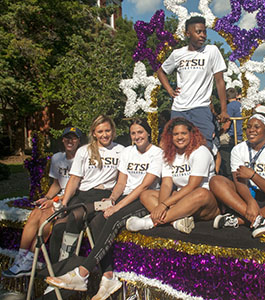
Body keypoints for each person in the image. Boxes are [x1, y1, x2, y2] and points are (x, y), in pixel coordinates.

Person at [45, 119, 163, 300]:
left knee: (110, 219)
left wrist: (116, 206)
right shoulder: (127, 152)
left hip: (142, 198)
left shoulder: (153, 153)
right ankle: (107, 276)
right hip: (117, 196)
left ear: (148, 133)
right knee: (95, 221)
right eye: (133, 133)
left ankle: (82, 273)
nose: (137, 136)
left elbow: (142, 187)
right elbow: (121, 182)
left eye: (140, 132)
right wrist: (112, 199)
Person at [1, 127, 82, 278]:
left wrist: (54, 201)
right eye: (67, 138)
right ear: (62, 140)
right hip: (58, 197)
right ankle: (21, 257)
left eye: (74, 138)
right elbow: (56, 184)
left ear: (79, 141)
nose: (70, 141)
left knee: (46, 217)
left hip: (73, 198)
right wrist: (47, 198)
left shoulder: (83, 158)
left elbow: (77, 188)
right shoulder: (58, 158)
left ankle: (30, 259)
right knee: (36, 213)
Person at [49, 115, 124, 264]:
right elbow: (74, 179)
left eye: (107, 130)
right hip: (83, 195)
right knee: (58, 227)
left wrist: (113, 198)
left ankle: (66, 265)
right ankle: (54, 269)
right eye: (100, 131)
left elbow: (122, 181)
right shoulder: (84, 151)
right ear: (94, 133)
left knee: (76, 216)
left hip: (103, 195)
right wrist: (64, 202)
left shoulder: (121, 150)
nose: (104, 135)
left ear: (113, 131)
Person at [126, 117, 220, 234]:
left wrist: (165, 204)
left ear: (191, 134)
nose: (179, 137)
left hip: (203, 202)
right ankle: (175, 222)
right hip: (180, 200)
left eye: (183, 133)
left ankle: (149, 222)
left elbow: (192, 186)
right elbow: (166, 184)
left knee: (201, 193)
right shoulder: (169, 154)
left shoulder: (201, 151)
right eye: (175, 134)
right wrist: (161, 206)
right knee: (146, 194)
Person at [156, 16, 229, 149]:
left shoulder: (211, 51)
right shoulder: (178, 54)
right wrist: (169, 90)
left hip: (201, 108)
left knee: (204, 147)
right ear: (188, 34)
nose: (202, 35)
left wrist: (224, 110)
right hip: (179, 109)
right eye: (198, 32)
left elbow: (219, 81)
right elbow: (161, 72)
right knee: (178, 147)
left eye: (204, 32)